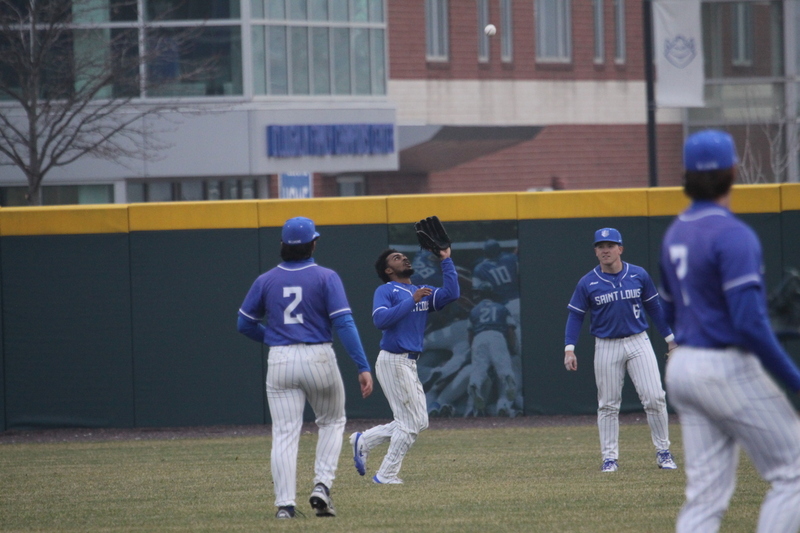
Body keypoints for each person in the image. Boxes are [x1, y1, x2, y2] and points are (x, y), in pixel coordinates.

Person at [660, 129, 800, 533]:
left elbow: (671, 309)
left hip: (683, 366)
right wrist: (794, 380)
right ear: (733, 172)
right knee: (792, 470)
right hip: (722, 366)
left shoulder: (675, 234)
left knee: (704, 497)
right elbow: (748, 323)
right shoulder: (733, 234)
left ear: (685, 175)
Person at [236, 216, 373, 519]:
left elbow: (244, 323)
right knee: (332, 422)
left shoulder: (266, 280)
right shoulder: (325, 277)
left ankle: (285, 506)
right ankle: (322, 485)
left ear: (283, 245)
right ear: (313, 244)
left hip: (280, 360)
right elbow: (345, 323)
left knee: (285, 433)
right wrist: (362, 365)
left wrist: (272, 338)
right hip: (318, 357)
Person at [564, 228, 678, 472]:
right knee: (608, 404)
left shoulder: (638, 274)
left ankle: (664, 452)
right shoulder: (588, 282)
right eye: (600, 246)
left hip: (638, 340)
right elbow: (575, 316)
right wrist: (569, 348)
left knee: (655, 397)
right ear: (595, 251)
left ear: (620, 249)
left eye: (610, 245)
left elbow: (655, 309)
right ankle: (609, 458)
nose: (605, 250)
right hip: (606, 345)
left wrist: (670, 338)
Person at [349, 245, 460, 484]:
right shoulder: (386, 289)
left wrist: (446, 261)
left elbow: (451, 294)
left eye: (404, 255)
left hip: (408, 363)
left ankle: (365, 441)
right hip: (393, 360)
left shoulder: (419, 290)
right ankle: (386, 474)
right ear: (389, 269)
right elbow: (380, 320)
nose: (404, 258)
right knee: (409, 424)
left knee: (419, 422)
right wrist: (412, 300)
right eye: (397, 258)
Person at [466, 282, 518, 417]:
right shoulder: (501, 308)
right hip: (497, 336)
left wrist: (472, 349)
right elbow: (510, 329)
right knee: (503, 366)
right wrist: (513, 346)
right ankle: (508, 381)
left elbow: (470, 334)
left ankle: (475, 384)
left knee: (479, 369)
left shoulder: (474, 310)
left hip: (479, 337)